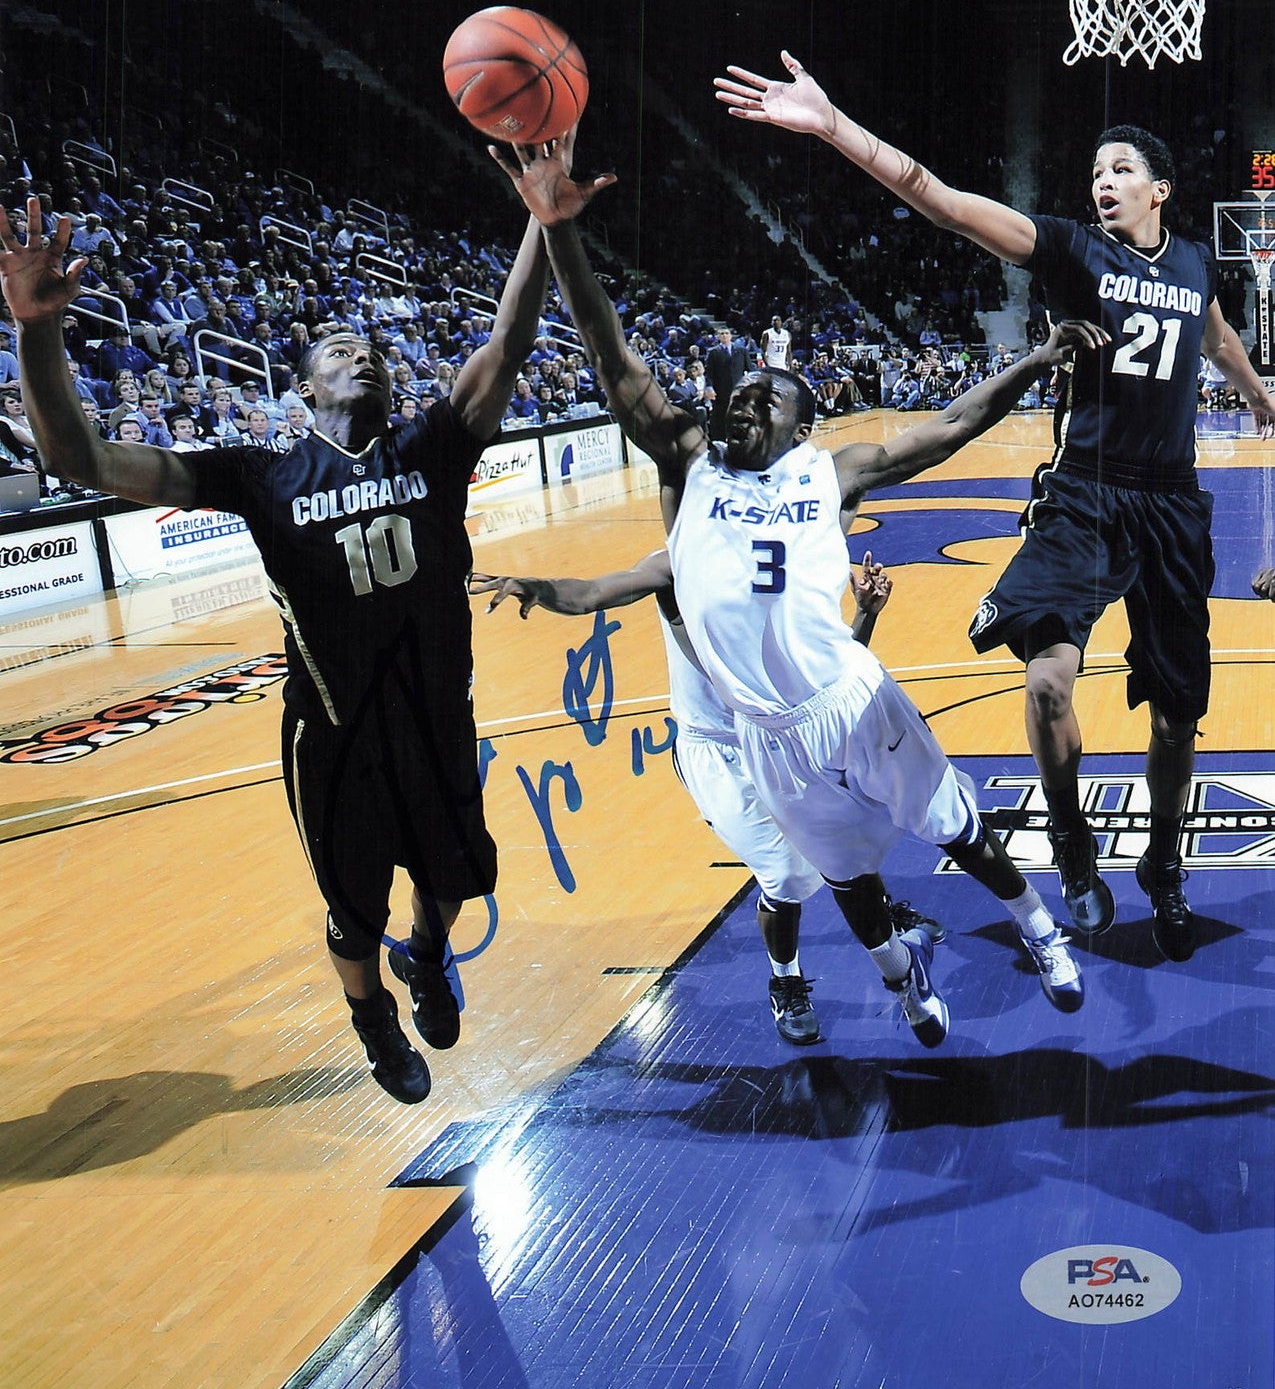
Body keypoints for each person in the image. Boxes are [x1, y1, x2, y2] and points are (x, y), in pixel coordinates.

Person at [501, 136, 1096, 1045]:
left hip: (848, 699)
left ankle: (1041, 932)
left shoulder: (830, 472)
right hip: (763, 736)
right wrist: (558, 231)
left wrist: (1032, 362)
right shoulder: (692, 466)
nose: (745, 401)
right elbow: (612, 361)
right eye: (741, 394)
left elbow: (948, 427)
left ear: (801, 421)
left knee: (954, 831)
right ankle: (905, 986)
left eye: (768, 397)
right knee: (850, 884)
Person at [715, 53, 1275, 962]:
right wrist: (830, 125)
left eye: (1120, 170)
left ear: (1160, 190)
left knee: (1176, 718)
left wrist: (1255, 388)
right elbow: (935, 194)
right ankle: (1071, 848)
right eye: (1094, 173)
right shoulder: (1067, 246)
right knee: (1048, 682)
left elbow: (1214, 335)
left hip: (1171, 505)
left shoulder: (1196, 266)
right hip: (1083, 496)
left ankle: (1162, 867)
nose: (1102, 183)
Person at [1, 189, 552, 1106]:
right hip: (332, 737)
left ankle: (425, 956)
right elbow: (79, 460)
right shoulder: (259, 475)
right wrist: (38, 331)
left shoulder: (433, 444)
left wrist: (543, 219)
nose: (362, 356)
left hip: (435, 718)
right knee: (351, 906)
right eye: (339, 352)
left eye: (371, 350)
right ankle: (371, 1013)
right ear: (302, 390)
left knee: (453, 881)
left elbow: (509, 343)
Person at [472, 550, 944, 1046]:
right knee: (784, 873)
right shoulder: (679, 562)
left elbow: (825, 671)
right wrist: (537, 587)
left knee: (852, 830)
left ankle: (882, 918)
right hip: (718, 749)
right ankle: (786, 978)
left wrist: (865, 612)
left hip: (787, 733)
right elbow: (590, 593)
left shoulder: (784, 558)